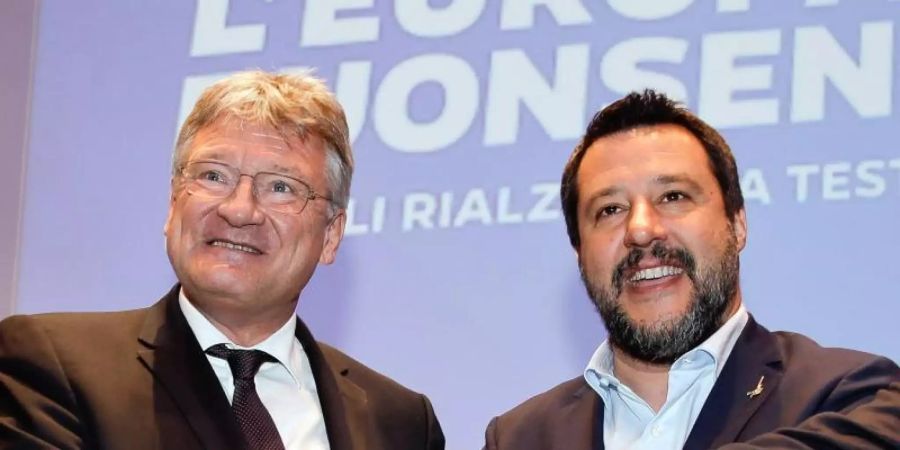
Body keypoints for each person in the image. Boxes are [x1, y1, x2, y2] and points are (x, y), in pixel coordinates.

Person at [0, 70, 445, 450]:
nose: (238, 209)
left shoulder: (400, 422)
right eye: (214, 176)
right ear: (174, 204)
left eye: (281, 187)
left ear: (330, 235)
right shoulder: (53, 363)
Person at [483, 90, 899, 450]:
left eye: (673, 196)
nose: (641, 231)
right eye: (610, 209)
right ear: (578, 251)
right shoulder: (519, 437)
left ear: (737, 225)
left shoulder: (851, 396)